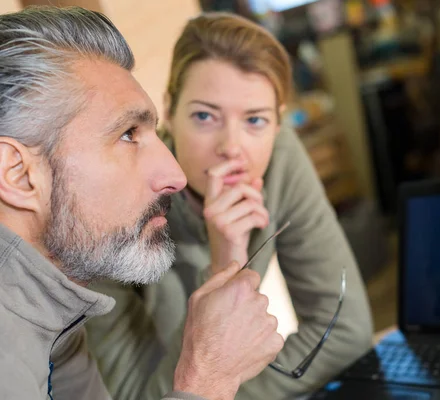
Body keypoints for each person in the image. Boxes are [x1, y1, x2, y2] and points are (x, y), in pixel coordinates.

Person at [86, 11, 374, 400]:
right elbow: (131, 396)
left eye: (255, 120)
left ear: (277, 124)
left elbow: (345, 333)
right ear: (168, 110)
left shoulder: (282, 158)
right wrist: (223, 269)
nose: (232, 147)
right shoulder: (115, 202)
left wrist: (223, 389)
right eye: (205, 116)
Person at [0, 6, 284, 400]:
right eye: (128, 134)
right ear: (17, 173)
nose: (176, 176)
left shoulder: (57, 311)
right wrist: (206, 381)